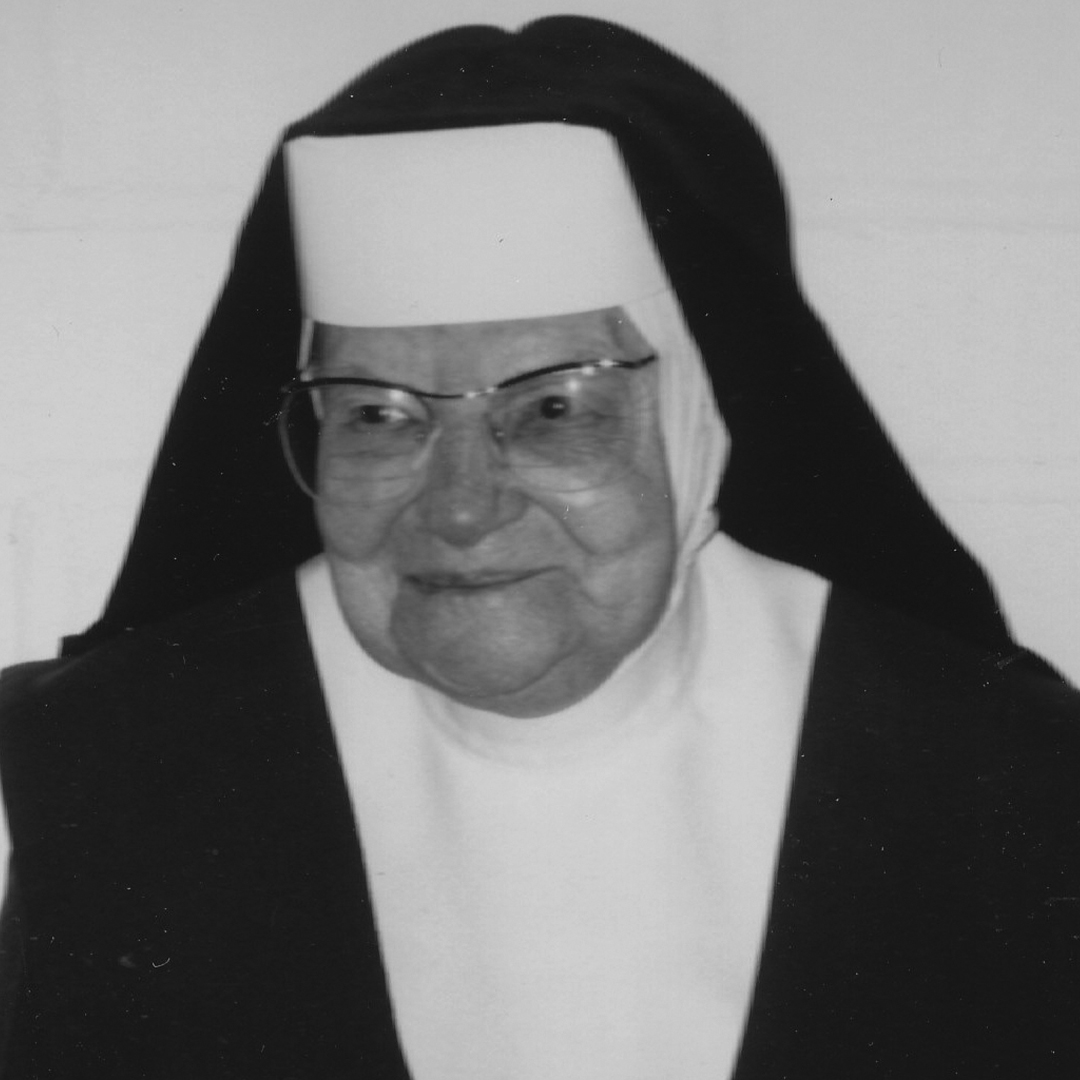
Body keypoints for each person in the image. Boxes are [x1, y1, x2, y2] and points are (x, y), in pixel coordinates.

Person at [1, 16, 1077, 1078]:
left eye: (555, 408)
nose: (461, 508)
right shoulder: (121, 767)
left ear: (699, 421)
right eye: (376, 413)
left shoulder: (993, 779)